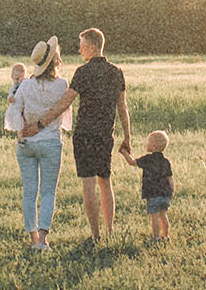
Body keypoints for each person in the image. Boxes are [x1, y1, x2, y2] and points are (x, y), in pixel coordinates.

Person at [21, 27, 130, 241]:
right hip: (106, 135)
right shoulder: (117, 72)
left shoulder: (83, 72)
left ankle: (96, 235)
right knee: (105, 182)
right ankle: (110, 232)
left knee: (89, 184)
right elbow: (122, 107)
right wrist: (127, 136)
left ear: (91, 46)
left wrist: (40, 124)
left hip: (85, 136)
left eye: (81, 46)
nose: (80, 50)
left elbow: (64, 103)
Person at [13, 37, 70, 250]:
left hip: (26, 144)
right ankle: (44, 240)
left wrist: (21, 130)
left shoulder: (25, 85)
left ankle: (33, 240)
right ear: (55, 61)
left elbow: (14, 113)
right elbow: (64, 116)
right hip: (50, 143)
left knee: (29, 192)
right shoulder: (62, 84)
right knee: (48, 191)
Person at [120, 130, 174, 242]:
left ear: (154, 146)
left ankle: (156, 238)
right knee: (163, 215)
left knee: (154, 216)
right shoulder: (166, 162)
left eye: (148, 141)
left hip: (152, 194)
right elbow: (170, 178)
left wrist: (124, 153)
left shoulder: (147, 159)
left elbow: (132, 162)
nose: (146, 143)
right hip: (165, 194)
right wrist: (172, 191)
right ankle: (166, 236)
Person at [3, 62, 27, 133]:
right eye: (16, 79)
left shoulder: (26, 84)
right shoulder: (13, 87)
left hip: (25, 107)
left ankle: (26, 134)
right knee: (18, 124)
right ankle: (20, 136)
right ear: (12, 77)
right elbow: (10, 95)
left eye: (21, 79)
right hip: (16, 108)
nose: (19, 81)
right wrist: (10, 98)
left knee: (26, 123)